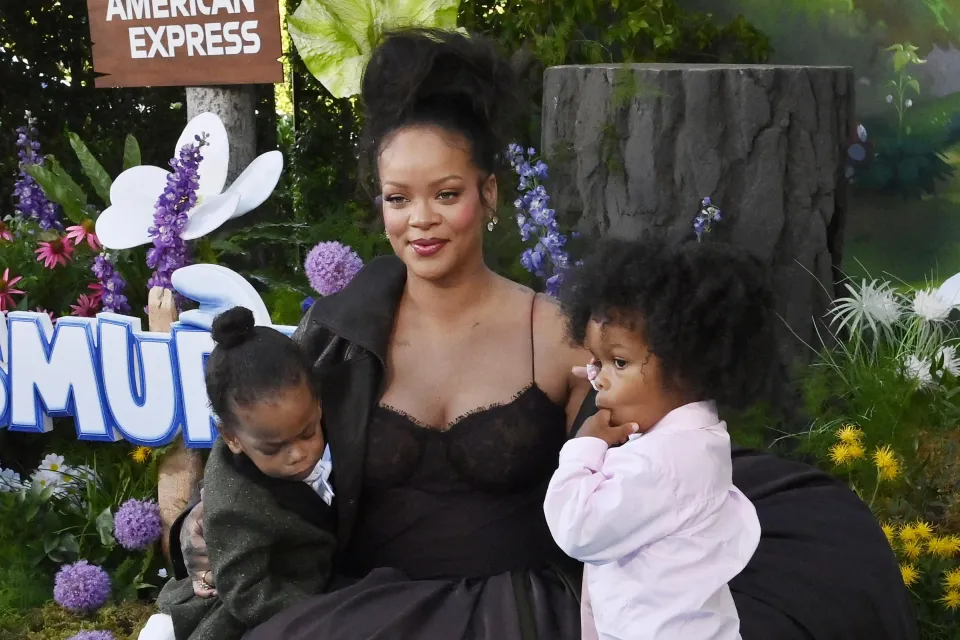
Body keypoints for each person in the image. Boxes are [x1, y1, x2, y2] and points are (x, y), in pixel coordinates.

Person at [166, 28, 918, 640]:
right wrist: (195, 527)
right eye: (399, 198)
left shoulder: (560, 333)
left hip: (526, 610)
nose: (420, 219)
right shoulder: (340, 337)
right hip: (374, 607)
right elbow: (267, 459)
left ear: (488, 195)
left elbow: (647, 462)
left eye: (446, 194)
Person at [544, 238, 772, 639]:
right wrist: (612, 371)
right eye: (596, 362)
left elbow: (577, 528)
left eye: (619, 362)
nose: (600, 379)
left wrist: (583, 446)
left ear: (685, 367)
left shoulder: (663, 462)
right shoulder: (695, 441)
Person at [142, 307, 336, 640]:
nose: (298, 454)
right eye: (274, 449)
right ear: (232, 438)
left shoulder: (337, 425)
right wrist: (323, 609)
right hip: (254, 605)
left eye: (307, 433)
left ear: (318, 404)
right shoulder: (236, 503)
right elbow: (244, 592)